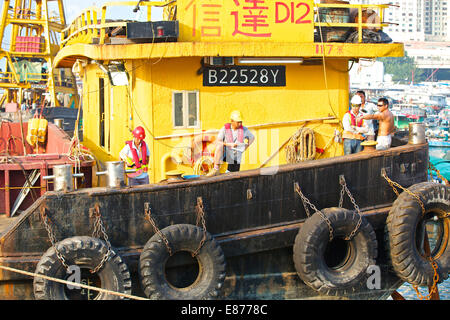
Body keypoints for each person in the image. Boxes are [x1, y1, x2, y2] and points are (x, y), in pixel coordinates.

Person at [206, 110, 255, 177]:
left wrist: (245, 147)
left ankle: (228, 172)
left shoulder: (244, 130)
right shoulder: (225, 129)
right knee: (219, 146)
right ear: (232, 121)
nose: (240, 124)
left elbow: (252, 138)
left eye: (241, 122)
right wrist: (229, 144)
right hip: (225, 152)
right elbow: (218, 141)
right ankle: (216, 169)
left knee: (233, 174)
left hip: (235, 155)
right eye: (238, 122)